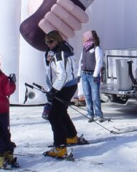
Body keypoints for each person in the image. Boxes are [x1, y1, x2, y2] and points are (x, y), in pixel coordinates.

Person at [43, 30, 85, 158]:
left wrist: (53, 90)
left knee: (54, 116)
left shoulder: (60, 54)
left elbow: (62, 75)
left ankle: (60, 147)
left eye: (51, 41)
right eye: (46, 42)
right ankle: (71, 136)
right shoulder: (64, 48)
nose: (49, 45)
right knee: (61, 112)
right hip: (68, 85)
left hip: (64, 86)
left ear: (57, 40)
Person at [78, 30, 104, 122]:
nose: (82, 39)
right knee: (87, 95)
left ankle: (98, 114)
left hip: (92, 75)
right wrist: (78, 74)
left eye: (84, 37)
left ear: (89, 37)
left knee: (95, 96)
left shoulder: (97, 48)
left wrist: (95, 74)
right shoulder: (84, 48)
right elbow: (81, 61)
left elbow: (99, 62)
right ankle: (90, 113)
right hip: (84, 74)